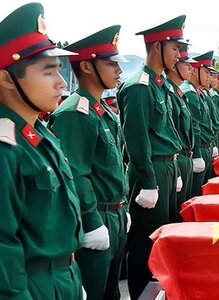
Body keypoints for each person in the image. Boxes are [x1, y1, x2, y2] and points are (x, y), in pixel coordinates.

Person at [0, 3, 84, 299]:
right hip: (31, 285)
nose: (62, 83)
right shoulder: (5, 145)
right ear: (7, 78)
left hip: (61, 277)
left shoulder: (38, 132)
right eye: (48, 72)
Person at [48, 25, 128, 300]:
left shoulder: (101, 110)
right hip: (97, 218)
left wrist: (122, 208)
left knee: (112, 292)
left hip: (114, 214)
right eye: (110, 64)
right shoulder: (74, 113)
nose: (118, 70)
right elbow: (76, 174)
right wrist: (93, 222)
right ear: (86, 66)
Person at [117, 15, 187, 299]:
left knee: (163, 238)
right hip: (152, 171)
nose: (178, 55)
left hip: (166, 167)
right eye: (173, 48)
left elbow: (167, 130)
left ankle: (159, 291)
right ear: (156, 47)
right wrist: (147, 180)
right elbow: (137, 139)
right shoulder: (139, 86)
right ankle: (141, 294)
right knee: (146, 243)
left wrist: (176, 168)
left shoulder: (160, 85)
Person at [165, 43, 196, 212]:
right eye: (186, 64)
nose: (191, 69)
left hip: (182, 160)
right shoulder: (169, 92)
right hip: (174, 161)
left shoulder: (177, 92)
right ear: (174, 67)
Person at [180, 52, 215, 196]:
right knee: (195, 195)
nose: (209, 77)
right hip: (196, 151)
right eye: (206, 72)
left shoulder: (198, 92)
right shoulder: (189, 92)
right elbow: (194, 126)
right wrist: (197, 154)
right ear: (195, 70)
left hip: (205, 147)